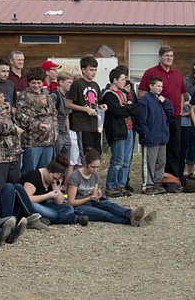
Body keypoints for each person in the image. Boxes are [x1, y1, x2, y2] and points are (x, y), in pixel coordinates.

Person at [66, 148, 149, 226]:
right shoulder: (75, 176)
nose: (95, 170)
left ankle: (131, 214)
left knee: (110, 205)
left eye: (98, 167)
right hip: (79, 207)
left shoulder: (94, 175)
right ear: (86, 164)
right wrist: (88, 198)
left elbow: (94, 193)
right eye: (93, 167)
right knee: (105, 215)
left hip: (91, 202)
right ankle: (134, 222)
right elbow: (71, 202)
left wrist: (97, 195)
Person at [139, 46, 184, 180]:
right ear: (160, 57)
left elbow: (182, 93)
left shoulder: (177, 73)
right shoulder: (150, 73)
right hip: (158, 119)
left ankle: (172, 179)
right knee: (157, 152)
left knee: (174, 150)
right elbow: (142, 93)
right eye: (166, 55)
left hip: (175, 117)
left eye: (171, 55)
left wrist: (180, 107)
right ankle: (154, 179)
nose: (169, 58)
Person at [101, 66, 137, 197]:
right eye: (122, 79)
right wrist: (127, 107)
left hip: (128, 128)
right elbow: (118, 111)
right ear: (115, 80)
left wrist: (127, 106)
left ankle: (121, 184)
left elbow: (134, 108)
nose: (125, 81)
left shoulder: (124, 93)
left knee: (126, 160)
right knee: (118, 160)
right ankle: (111, 186)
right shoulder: (109, 95)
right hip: (117, 130)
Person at [20, 156, 85, 225]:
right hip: (31, 206)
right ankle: (71, 219)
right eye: (53, 177)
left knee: (68, 208)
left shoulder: (53, 181)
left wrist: (54, 185)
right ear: (48, 170)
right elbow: (27, 199)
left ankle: (49, 219)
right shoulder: (33, 177)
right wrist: (47, 196)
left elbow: (59, 202)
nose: (54, 180)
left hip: (45, 206)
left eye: (57, 179)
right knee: (34, 206)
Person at [16, 67, 57, 175]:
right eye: (33, 83)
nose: (36, 86)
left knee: (45, 172)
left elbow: (53, 116)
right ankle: (26, 191)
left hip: (49, 141)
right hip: (33, 142)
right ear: (28, 82)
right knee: (29, 172)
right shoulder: (23, 97)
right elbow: (21, 118)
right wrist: (37, 107)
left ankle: (41, 191)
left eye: (39, 83)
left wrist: (55, 135)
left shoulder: (47, 96)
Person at [136, 76, 172, 195]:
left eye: (161, 86)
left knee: (161, 161)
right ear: (151, 86)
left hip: (162, 137)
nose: (160, 88)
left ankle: (157, 182)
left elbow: (170, 112)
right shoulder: (145, 100)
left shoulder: (161, 100)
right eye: (158, 86)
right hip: (151, 137)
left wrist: (165, 101)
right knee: (150, 162)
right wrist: (145, 133)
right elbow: (140, 120)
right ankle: (148, 185)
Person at [66, 56, 103, 156]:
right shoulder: (77, 84)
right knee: (86, 154)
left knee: (96, 153)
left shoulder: (95, 85)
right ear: (83, 69)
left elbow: (98, 103)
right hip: (82, 125)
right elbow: (68, 104)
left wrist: (102, 107)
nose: (93, 72)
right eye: (91, 70)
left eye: (95, 70)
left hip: (94, 125)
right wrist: (85, 109)